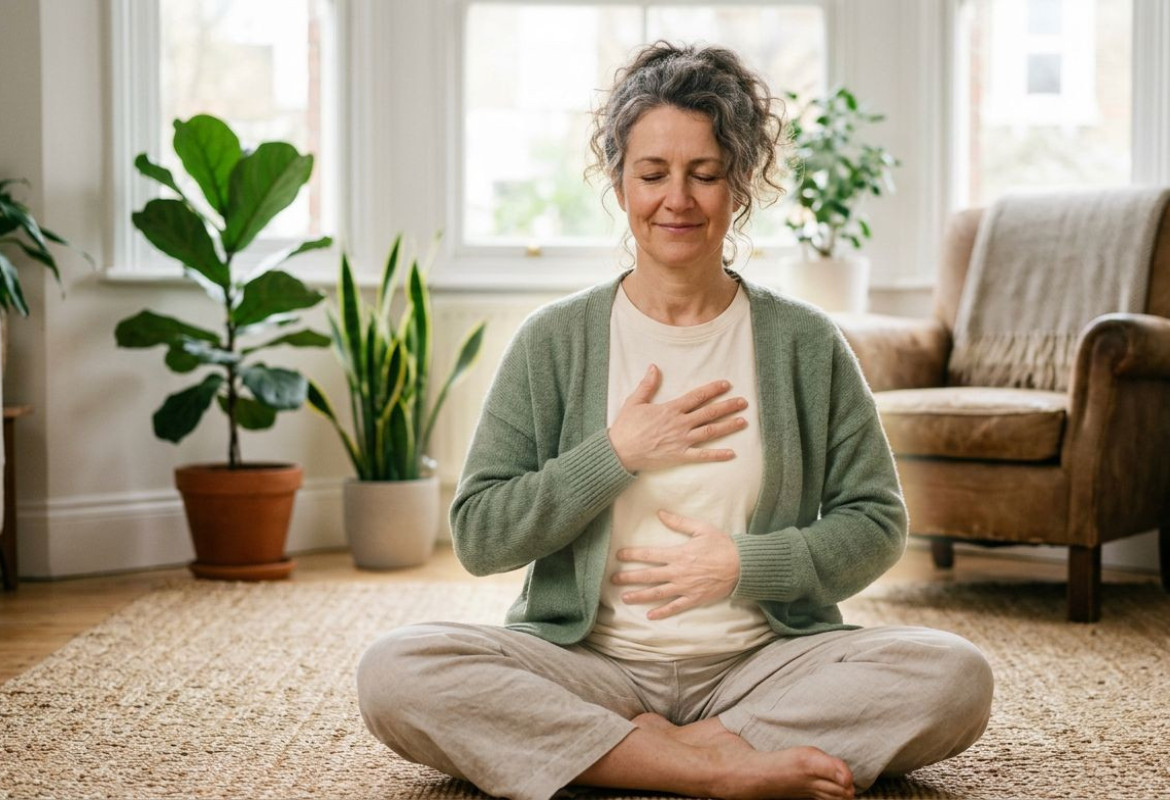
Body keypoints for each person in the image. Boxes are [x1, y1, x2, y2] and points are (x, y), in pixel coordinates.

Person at [356, 42, 993, 800]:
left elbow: (877, 523)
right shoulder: (554, 342)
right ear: (619, 182)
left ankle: (637, 756)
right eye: (652, 174)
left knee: (955, 677)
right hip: (590, 666)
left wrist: (746, 564)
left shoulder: (805, 342)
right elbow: (481, 536)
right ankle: (711, 767)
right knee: (395, 671)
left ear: (741, 183)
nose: (677, 201)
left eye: (705, 174)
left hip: (761, 668)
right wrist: (614, 452)